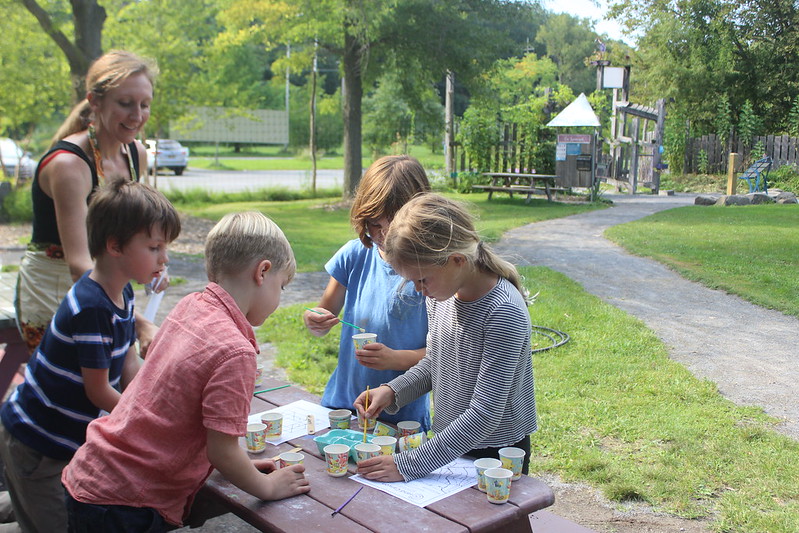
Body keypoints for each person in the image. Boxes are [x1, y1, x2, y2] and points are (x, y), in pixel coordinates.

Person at [62, 211, 310, 532]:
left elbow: (176, 409)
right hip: (125, 504)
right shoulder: (235, 350)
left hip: (97, 475)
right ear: (263, 271)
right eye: (283, 286)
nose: (279, 297)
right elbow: (221, 451)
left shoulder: (190, 306)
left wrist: (242, 468)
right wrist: (268, 487)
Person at [0, 180, 180, 533]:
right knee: (52, 526)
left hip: (61, 442)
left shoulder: (122, 292)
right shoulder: (92, 307)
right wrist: (147, 422)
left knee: (38, 505)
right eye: (155, 247)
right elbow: (98, 392)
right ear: (115, 246)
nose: (165, 258)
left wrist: (153, 398)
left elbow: (128, 360)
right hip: (37, 445)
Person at [354, 193, 538, 481]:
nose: (417, 289)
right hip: (450, 445)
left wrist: (408, 464)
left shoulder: (503, 311)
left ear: (456, 261)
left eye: (421, 279)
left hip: (497, 453)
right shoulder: (441, 295)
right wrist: (393, 391)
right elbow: (438, 361)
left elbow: (484, 414)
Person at [16, 50, 162, 356]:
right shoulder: (69, 165)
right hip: (54, 290)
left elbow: (138, 229)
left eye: (144, 104)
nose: (137, 115)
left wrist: (156, 264)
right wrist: (139, 324)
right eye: (125, 103)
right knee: (74, 390)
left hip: (108, 286)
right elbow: (79, 265)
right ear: (95, 101)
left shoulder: (136, 154)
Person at [303, 155, 431, 429]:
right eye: (375, 224)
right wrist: (314, 320)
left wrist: (394, 358)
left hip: (401, 417)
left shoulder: (429, 273)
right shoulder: (354, 255)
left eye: (393, 225)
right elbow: (323, 316)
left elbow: (443, 354)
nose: (383, 234)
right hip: (344, 405)